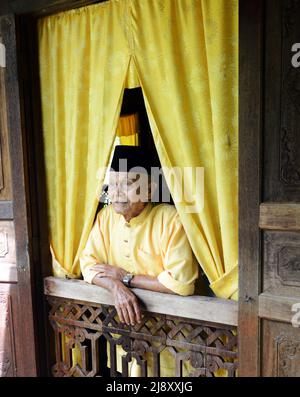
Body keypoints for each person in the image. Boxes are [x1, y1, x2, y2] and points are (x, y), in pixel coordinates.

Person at [80, 145, 199, 376]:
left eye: (127, 183)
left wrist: (125, 278)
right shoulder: (106, 218)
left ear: (149, 189)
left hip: (170, 340)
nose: (116, 192)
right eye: (113, 184)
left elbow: (180, 284)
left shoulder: (171, 219)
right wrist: (115, 287)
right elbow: (88, 265)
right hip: (124, 338)